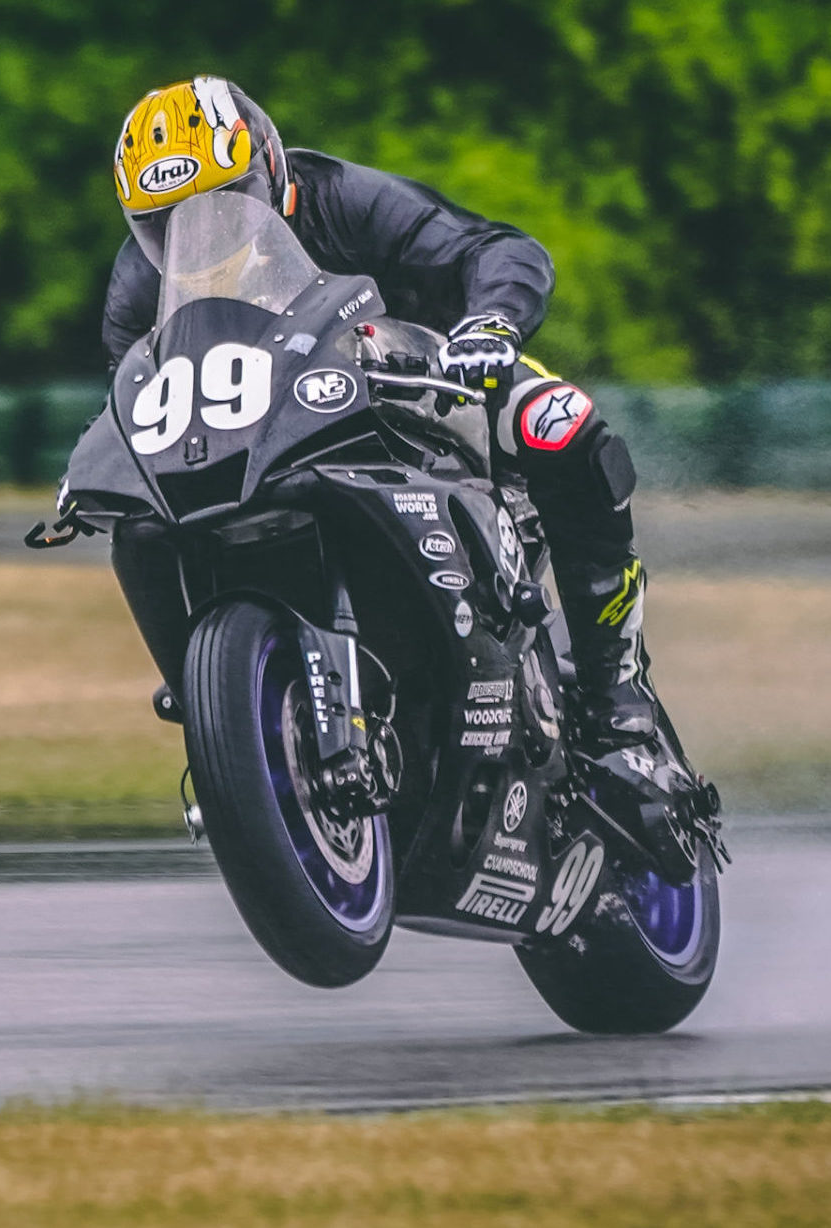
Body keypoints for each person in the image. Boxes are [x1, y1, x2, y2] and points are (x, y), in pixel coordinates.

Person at [102, 75, 697, 798]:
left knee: (558, 422)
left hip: (424, 388)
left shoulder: (341, 199)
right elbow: (136, 396)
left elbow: (498, 248)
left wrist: (489, 324)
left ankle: (619, 702)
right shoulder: (140, 288)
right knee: (138, 527)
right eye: (166, 223)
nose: (202, 239)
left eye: (227, 206)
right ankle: (224, 716)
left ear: (272, 173)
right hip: (269, 447)